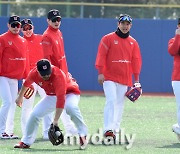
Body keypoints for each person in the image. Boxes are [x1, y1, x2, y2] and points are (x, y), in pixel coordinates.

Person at [14, 59, 88, 150]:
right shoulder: (33, 73)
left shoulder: (58, 75)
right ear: (38, 71)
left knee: (71, 108)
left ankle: (83, 134)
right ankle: (25, 142)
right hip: (52, 95)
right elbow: (26, 83)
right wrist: (20, 97)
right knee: (34, 114)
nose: (46, 76)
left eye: (48, 73)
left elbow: (61, 99)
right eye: (43, 74)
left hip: (69, 93)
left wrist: (55, 121)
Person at [95, 14, 142, 140]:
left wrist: (136, 80)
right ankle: (108, 129)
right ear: (118, 24)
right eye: (123, 23)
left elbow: (136, 61)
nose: (125, 26)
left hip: (125, 77)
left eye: (127, 24)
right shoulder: (108, 38)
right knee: (111, 100)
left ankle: (115, 129)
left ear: (130, 25)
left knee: (120, 104)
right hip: (109, 76)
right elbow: (101, 55)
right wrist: (100, 72)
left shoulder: (133, 42)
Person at [41, 9, 80, 136]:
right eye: (53, 20)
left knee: (60, 101)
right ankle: (51, 130)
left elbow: (62, 56)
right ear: (48, 21)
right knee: (54, 102)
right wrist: (54, 76)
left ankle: (69, 128)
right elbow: (47, 60)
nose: (56, 22)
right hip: (55, 75)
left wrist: (66, 72)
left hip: (62, 74)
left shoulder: (58, 32)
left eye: (58, 19)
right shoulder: (47, 36)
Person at [20, 18, 52, 139]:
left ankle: (47, 133)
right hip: (29, 78)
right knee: (27, 106)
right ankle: (27, 133)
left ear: (33, 27)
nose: (27, 30)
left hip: (44, 76)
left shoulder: (41, 38)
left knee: (48, 103)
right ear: (22, 30)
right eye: (25, 28)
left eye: (29, 27)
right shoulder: (20, 41)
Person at [0, 15, 29, 139]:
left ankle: (8, 131)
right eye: (13, 25)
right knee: (7, 102)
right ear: (8, 25)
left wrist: (26, 77)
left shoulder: (23, 40)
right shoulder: (2, 38)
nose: (16, 27)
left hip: (15, 78)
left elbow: (25, 60)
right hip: (3, 76)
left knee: (12, 104)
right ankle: (1, 131)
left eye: (18, 25)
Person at [168, 18, 180, 141]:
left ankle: (177, 128)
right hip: (178, 79)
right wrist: (178, 36)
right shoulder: (173, 40)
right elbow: (173, 51)